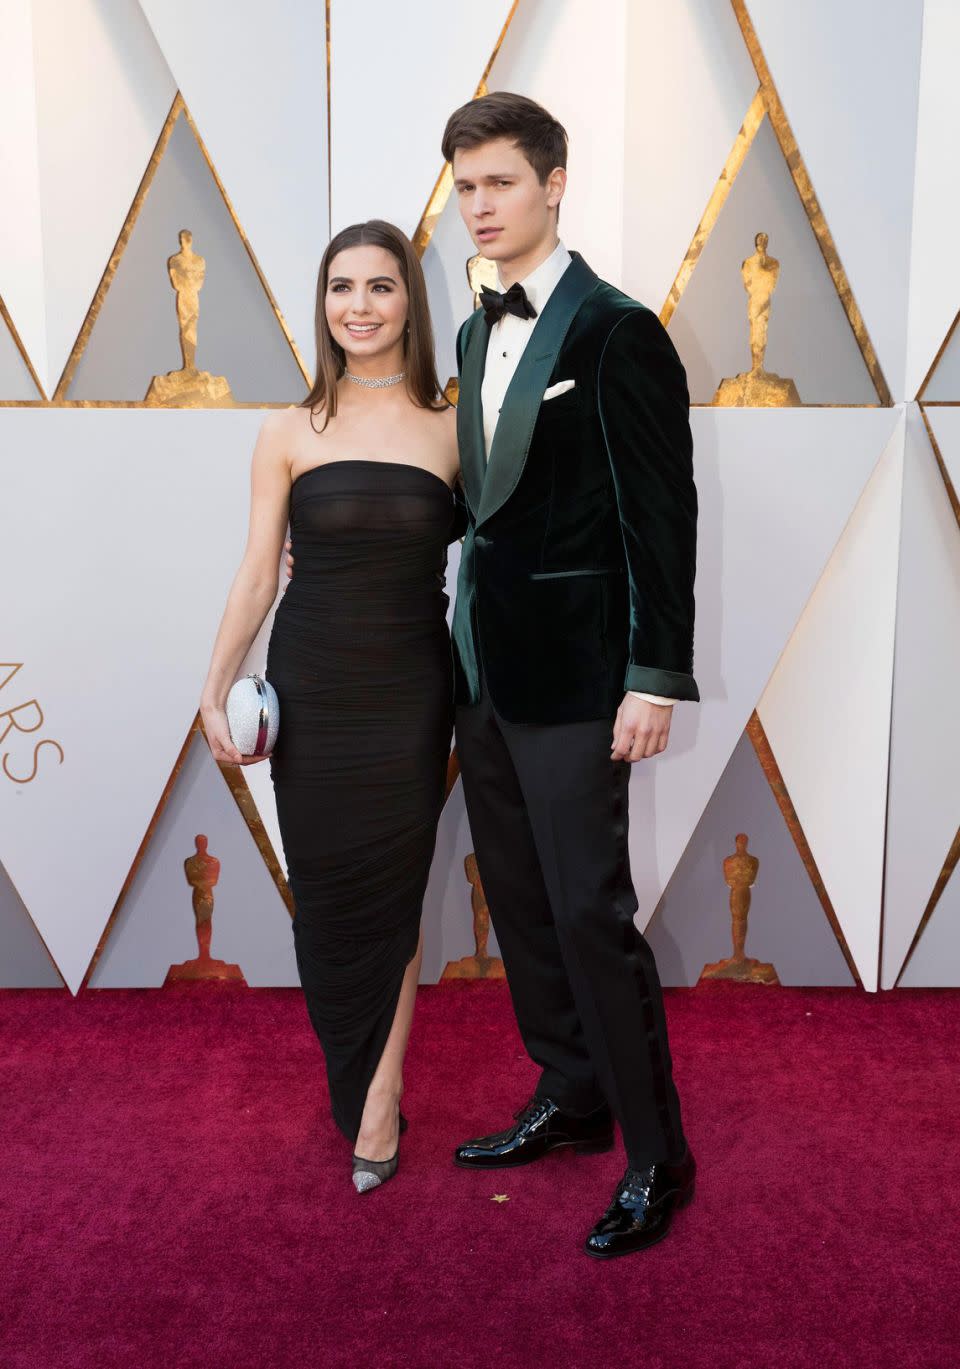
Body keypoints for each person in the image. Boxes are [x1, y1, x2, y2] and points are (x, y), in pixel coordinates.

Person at [442, 91, 700, 1259]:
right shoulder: (467, 329)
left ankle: (658, 1155)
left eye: (497, 182)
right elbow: (492, 499)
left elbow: (662, 517)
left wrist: (654, 674)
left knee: (592, 910)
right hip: (485, 673)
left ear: (553, 183)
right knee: (524, 904)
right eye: (463, 188)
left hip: (585, 676)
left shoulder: (618, 331)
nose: (478, 207)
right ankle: (572, 1086)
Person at [200, 220, 461, 1193]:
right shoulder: (287, 430)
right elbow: (260, 569)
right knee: (327, 901)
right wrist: (214, 679)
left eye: (381, 287)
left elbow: (506, 553)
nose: (359, 305)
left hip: (407, 696)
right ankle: (354, 1069)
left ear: (409, 303)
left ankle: (382, 1097)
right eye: (341, 286)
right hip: (310, 686)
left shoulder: (451, 425)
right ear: (323, 303)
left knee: (393, 896)